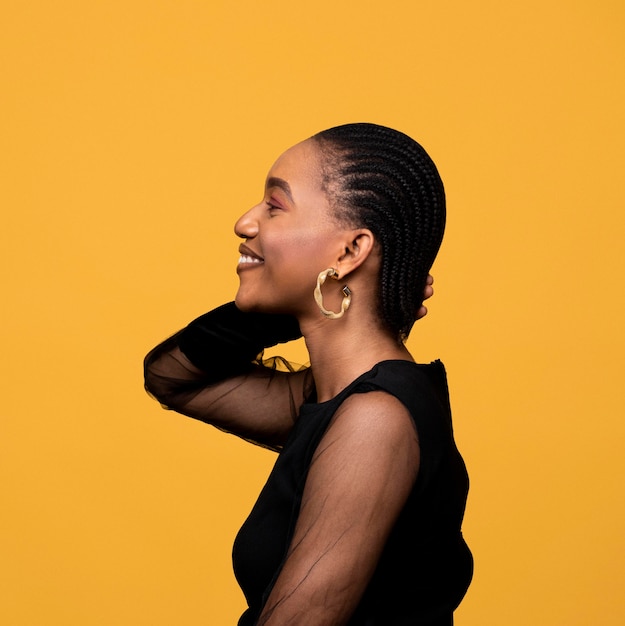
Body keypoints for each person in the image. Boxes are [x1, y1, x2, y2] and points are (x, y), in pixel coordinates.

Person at [144, 122, 473, 625]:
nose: (244, 222)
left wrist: (311, 291)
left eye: (274, 206)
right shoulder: (336, 397)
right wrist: (294, 300)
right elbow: (171, 377)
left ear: (348, 252)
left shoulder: (375, 420)